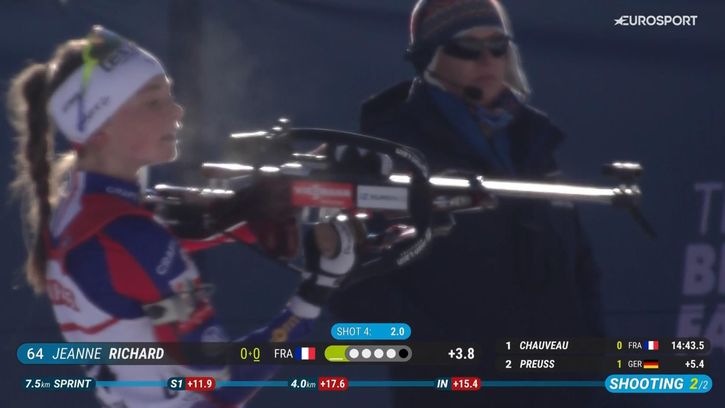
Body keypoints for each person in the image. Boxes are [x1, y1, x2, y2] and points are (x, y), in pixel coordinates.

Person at [8, 26, 359, 408]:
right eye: (153, 101)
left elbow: (163, 235)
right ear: (101, 126)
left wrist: (278, 197)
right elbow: (222, 380)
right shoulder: (131, 236)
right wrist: (316, 290)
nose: (176, 111)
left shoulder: (80, 207)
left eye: (169, 95)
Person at [329, 1, 605, 407]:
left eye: (497, 45)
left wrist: (592, 362)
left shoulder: (534, 142)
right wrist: (442, 354)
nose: (487, 59)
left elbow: (580, 265)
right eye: (466, 47)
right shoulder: (389, 153)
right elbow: (350, 290)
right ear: (430, 57)